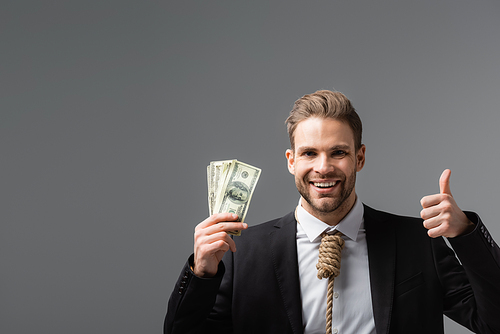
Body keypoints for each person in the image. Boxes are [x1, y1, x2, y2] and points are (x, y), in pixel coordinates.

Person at [164, 90, 500, 334]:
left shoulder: (418, 243)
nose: (323, 168)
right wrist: (202, 273)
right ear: (292, 161)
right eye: (309, 153)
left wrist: (466, 233)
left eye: (338, 152)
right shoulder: (243, 252)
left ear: (360, 158)